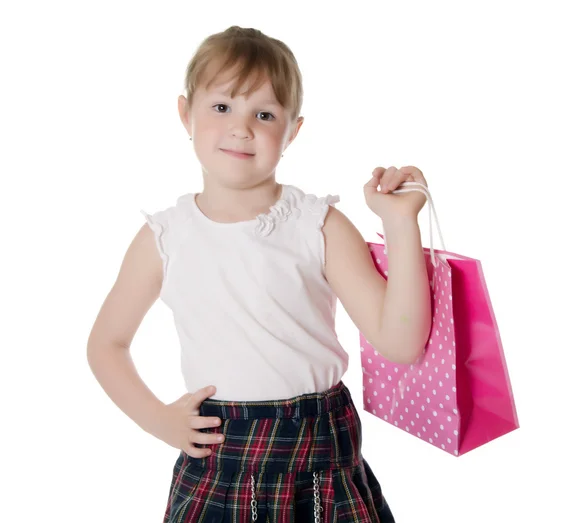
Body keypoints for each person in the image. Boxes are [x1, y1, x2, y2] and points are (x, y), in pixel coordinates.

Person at [87, 25, 432, 523]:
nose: (241, 127)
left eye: (264, 114)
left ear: (292, 130)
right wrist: (159, 420)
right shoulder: (165, 237)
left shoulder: (319, 224)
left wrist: (400, 225)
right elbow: (106, 343)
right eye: (222, 107)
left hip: (322, 461)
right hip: (220, 460)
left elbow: (401, 344)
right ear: (186, 114)